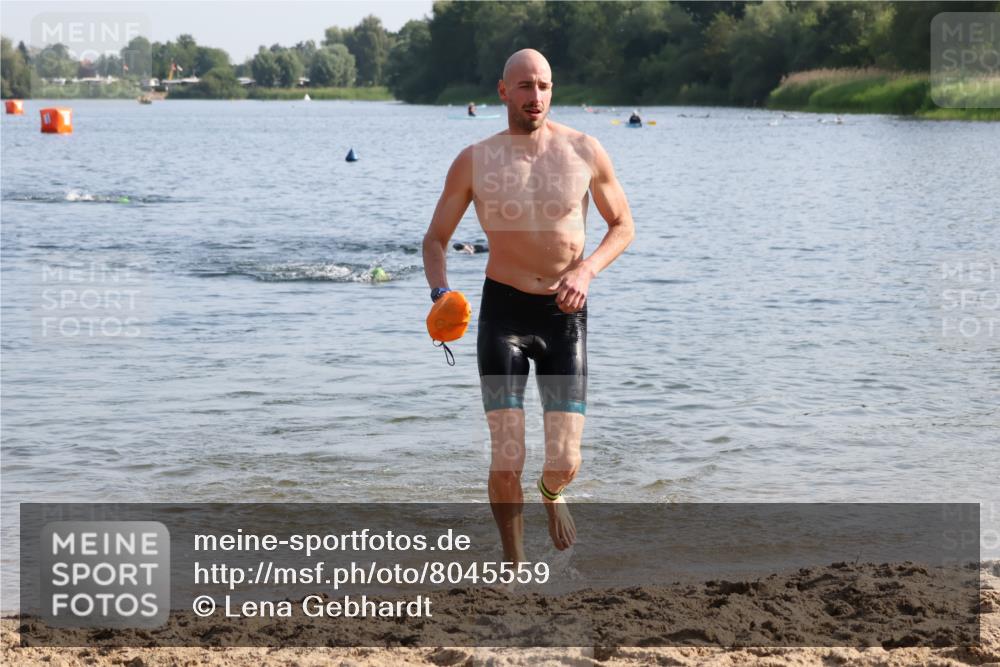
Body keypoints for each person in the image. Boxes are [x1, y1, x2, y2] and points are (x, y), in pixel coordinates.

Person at [422, 48, 634, 562]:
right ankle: (514, 565)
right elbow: (435, 240)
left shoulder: (584, 150)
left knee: (564, 460)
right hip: (504, 315)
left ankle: (552, 492)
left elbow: (622, 226)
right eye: (524, 86)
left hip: (565, 315)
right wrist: (441, 292)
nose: (535, 95)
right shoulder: (475, 160)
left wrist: (586, 270)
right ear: (503, 91)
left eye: (543, 85)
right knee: (506, 457)